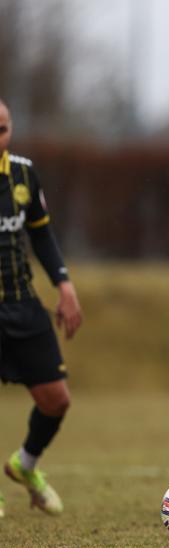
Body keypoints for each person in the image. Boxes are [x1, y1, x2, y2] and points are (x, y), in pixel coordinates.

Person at [0, 98, 82, 517]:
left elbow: (42, 235)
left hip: (22, 304)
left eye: (3, 128)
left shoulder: (23, 174)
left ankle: (25, 465)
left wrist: (64, 284)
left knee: (56, 400)